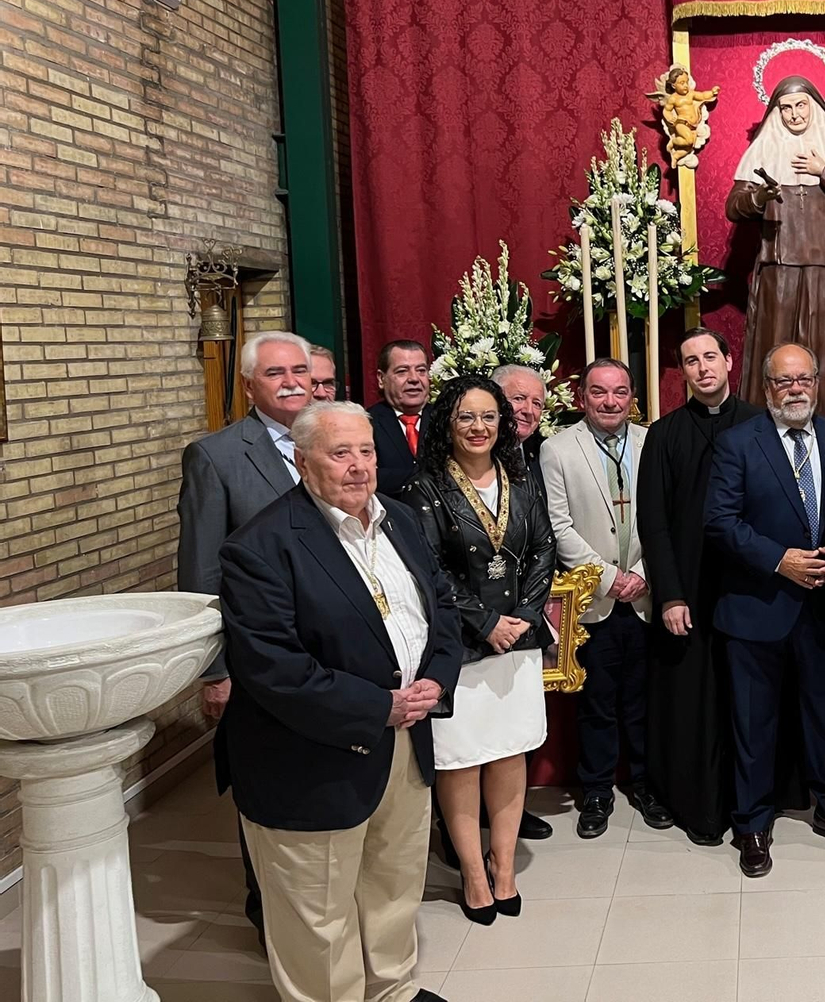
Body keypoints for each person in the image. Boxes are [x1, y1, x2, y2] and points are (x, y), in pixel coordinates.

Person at [218, 401, 461, 1002]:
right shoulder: (260, 546)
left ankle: (391, 991)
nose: (358, 467)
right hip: (312, 760)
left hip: (405, 742)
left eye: (367, 451)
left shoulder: (401, 520)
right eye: (340, 453)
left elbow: (442, 609)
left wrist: (437, 677)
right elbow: (273, 668)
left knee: (392, 884)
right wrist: (379, 706)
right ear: (302, 462)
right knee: (318, 916)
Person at [704, 343, 825, 876]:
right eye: (784, 382)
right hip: (755, 609)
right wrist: (779, 560)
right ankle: (752, 825)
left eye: (804, 379)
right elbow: (719, 521)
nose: (795, 389)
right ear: (766, 388)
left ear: (818, 384)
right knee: (753, 725)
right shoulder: (738, 443)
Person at [399, 376, 556, 925]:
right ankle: (471, 871)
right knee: (462, 761)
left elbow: (543, 549)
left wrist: (525, 618)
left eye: (490, 416)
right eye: (467, 416)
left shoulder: (521, 476)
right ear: (448, 421)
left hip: (518, 639)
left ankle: (504, 865)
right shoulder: (426, 490)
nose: (479, 427)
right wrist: (485, 621)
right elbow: (431, 570)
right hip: (460, 647)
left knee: (510, 753)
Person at [177, 329, 314, 942]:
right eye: (275, 373)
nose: (291, 382)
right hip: (259, 655)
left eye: (300, 371)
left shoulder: (335, 439)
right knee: (266, 785)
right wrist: (214, 669)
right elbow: (201, 571)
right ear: (249, 383)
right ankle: (270, 911)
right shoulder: (217, 456)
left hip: (337, 653)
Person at [636, 328, 763, 845]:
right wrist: (669, 593)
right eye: (691, 361)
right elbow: (654, 521)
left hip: (749, 588)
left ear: (730, 361)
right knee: (693, 700)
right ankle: (700, 806)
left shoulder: (760, 424)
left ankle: (753, 806)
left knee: (749, 700)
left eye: (711, 356)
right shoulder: (664, 435)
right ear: (683, 372)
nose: (703, 367)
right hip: (688, 590)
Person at [540, 359, 669, 837]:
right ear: (582, 398)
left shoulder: (651, 440)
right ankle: (595, 790)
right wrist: (609, 576)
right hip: (593, 598)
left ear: (632, 396)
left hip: (645, 593)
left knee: (642, 698)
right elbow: (559, 526)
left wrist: (639, 573)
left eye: (619, 392)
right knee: (596, 701)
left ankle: (643, 782)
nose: (610, 402)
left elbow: (665, 514)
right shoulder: (557, 450)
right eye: (599, 392)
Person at [726, 76, 825, 418]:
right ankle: (772, 415)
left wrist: (823, 170)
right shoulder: (764, 147)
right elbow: (733, 206)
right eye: (785, 108)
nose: (794, 115)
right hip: (779, 270)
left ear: (815, 106)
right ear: (776, 112)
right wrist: (758, 197)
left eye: (800, 106)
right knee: (778, 345)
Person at [368, 339, 432, 496]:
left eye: (421, 370)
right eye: (402, 371)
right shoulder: (367, 422)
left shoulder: (447, 420)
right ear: (381, 379)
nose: (414, 379)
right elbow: (371, 477)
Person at [491, 363, 548, 488]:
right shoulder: (478, 454)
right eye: (519, 398)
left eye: (537, 404)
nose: (529, 410)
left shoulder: (544, 454)